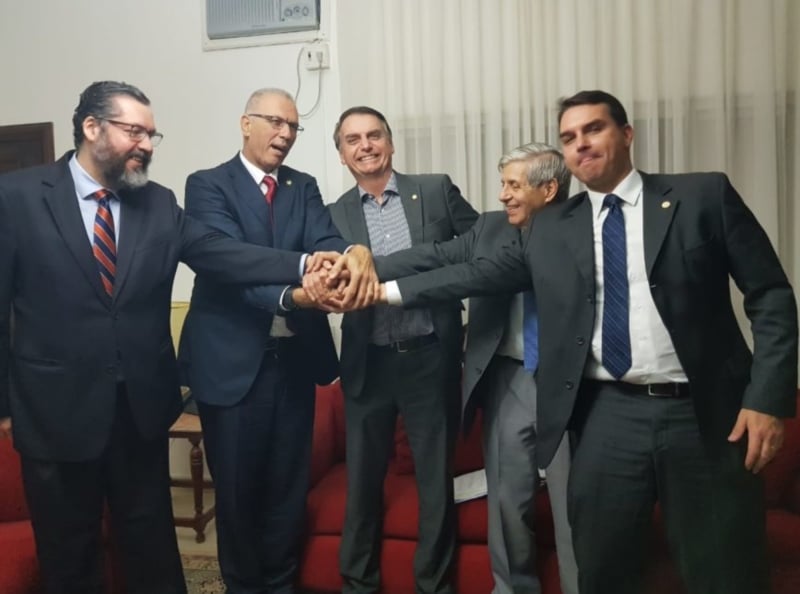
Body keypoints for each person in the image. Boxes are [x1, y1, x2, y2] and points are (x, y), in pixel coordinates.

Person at [361, 90, 798, 594]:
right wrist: (377, 288)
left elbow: (770, 295)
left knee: (723, 568)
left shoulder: (701, 196)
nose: (581, 144)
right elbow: (472, 273)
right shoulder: (551, 228)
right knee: (602, 567)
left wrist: (766, 398)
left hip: (700, 414)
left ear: (626, 134)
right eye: (569, 137)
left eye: (594, 129)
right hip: (606, 415)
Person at [0, 81, 355, 594]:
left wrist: (303, 263)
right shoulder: (17, 198)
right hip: (55, 410)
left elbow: (222, 253)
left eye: (151, 134)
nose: (146, 144)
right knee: (69, 554)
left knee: (150, 551)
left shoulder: (158, 203)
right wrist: (4, 405)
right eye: (134, 131)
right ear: (92, 127)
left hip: (139, 411)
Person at [177, 88, 374, 594]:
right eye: (275, 122)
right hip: (231, 368)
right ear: (246, 123)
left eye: (293, 127)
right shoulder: (207, 186)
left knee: (287, 495)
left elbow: (324, 239)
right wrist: (296, 287)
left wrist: (334, 262)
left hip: (293, 363)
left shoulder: (302, 186)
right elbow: (227, 261)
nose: (285, 134)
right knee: (240, 500)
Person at [373, 143, 579, 594]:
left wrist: (384, 292)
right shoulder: (489, 227)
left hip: (569, 383)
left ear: (549, 189)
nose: (503, 195)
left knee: (574, 508)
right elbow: (437, 256)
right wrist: (368, 264)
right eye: (502, 183)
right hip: (507, 377)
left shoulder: (582, 227)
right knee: (508, 500)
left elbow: (474, 277)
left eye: (513, 185)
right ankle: (511, 588)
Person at [327, 106, 478, 594]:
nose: (365, 145)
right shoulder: (332, 215)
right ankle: (358, 584)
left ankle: (433, 585)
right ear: (342, 154)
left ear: (390, 144)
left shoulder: (434, 190)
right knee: (362, 484)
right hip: (367, 363)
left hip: (429, 356)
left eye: (374, 136)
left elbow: (483, 246)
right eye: (353, 140)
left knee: (435, 482)